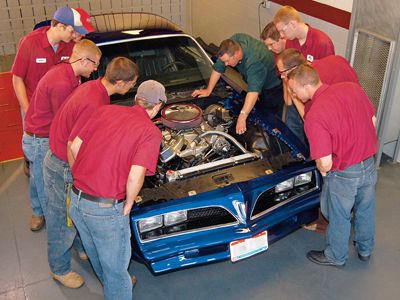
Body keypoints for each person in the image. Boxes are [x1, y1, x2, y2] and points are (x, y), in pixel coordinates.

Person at [44, 56, 138, 288]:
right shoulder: (95, 103)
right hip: (63, 164)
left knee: (74, 217)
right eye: (132, 83)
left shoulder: (93, 87)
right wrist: (79, 180)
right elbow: (73, 146)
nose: (133, 87)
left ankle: (82, 246)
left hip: (61, 156)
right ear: (121, 84)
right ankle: (60, 268)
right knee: (62, 221)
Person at [67, 80, 165, 300]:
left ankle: (111, 283)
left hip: (76, 199)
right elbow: (135, 176)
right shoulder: (149, 132)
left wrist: (82, 180)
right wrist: (129, 203)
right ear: (158, 106)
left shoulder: (104, 111)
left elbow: (73, 146)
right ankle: (117, 286)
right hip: (105, 210)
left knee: (96, 254)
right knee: (117, 270)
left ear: (136, 98)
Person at [23, 39, 100, 288]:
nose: (95, 71)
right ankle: (59, 268)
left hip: (49, 139)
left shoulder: (71, 76)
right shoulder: (61, 83)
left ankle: (77, 244)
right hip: (44, 142)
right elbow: (64, 126)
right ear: (84, 61)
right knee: (57, 212)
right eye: (95, 65)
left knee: (69, 207)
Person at [287, 64, 377, 267]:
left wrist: (324, 171)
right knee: (366, 209)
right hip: (369, 164)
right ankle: (365, 249)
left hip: (345, 172)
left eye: (294, 90)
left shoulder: (315, 115)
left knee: (339, 214)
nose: (293, 94)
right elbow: (372, 120)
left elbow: (325, 162)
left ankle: (336, 256)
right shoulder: (351, 88)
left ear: (306, 86)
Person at [12, 6, 93, 227]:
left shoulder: (72, 47)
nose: (78, 36)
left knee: (57, 165)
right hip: (35, 115)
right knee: (39, 169)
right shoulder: (30, 43)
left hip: (60, 116)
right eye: (74, 31)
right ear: (59, 26)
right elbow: (17, 78)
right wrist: (27, 109)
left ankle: (59, 206)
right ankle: (38, 210)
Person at [192, 33, 282, 134]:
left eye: (227, 61)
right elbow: (219, 67)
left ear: (236, 54)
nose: (225, 64)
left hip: (273, 86)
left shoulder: (254, 62)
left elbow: (253, 92)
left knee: (270, 119)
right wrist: (208, 90)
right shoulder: (234, 43)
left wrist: (242, 117)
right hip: (255, 80)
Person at [276, 49, 359, 145]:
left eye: (282, 73)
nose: (282, 77)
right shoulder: (335, 60)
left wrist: (293, 92)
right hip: (358, 109)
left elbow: (309, 121)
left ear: (294, 69)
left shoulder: (312, 87)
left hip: (345, 129)